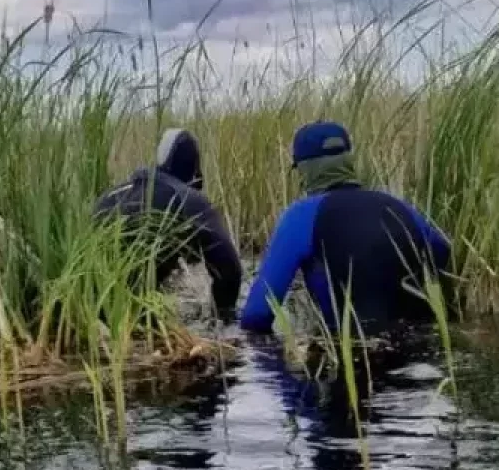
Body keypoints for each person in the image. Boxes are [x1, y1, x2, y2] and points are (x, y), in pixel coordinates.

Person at [239, 120, 452, 338]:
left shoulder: (301, 216)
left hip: (351, 351)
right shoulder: (400, 206)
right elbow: (443, 253)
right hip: (421, 351)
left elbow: (257, 315)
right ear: (348, 161)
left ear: (304, 170)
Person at [93, 128, 243, 323]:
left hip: (91, 306)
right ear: (194, 170)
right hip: (136, 314)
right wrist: (222, 317)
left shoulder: (110, 195)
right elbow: (229, 269)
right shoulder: (187, 198)